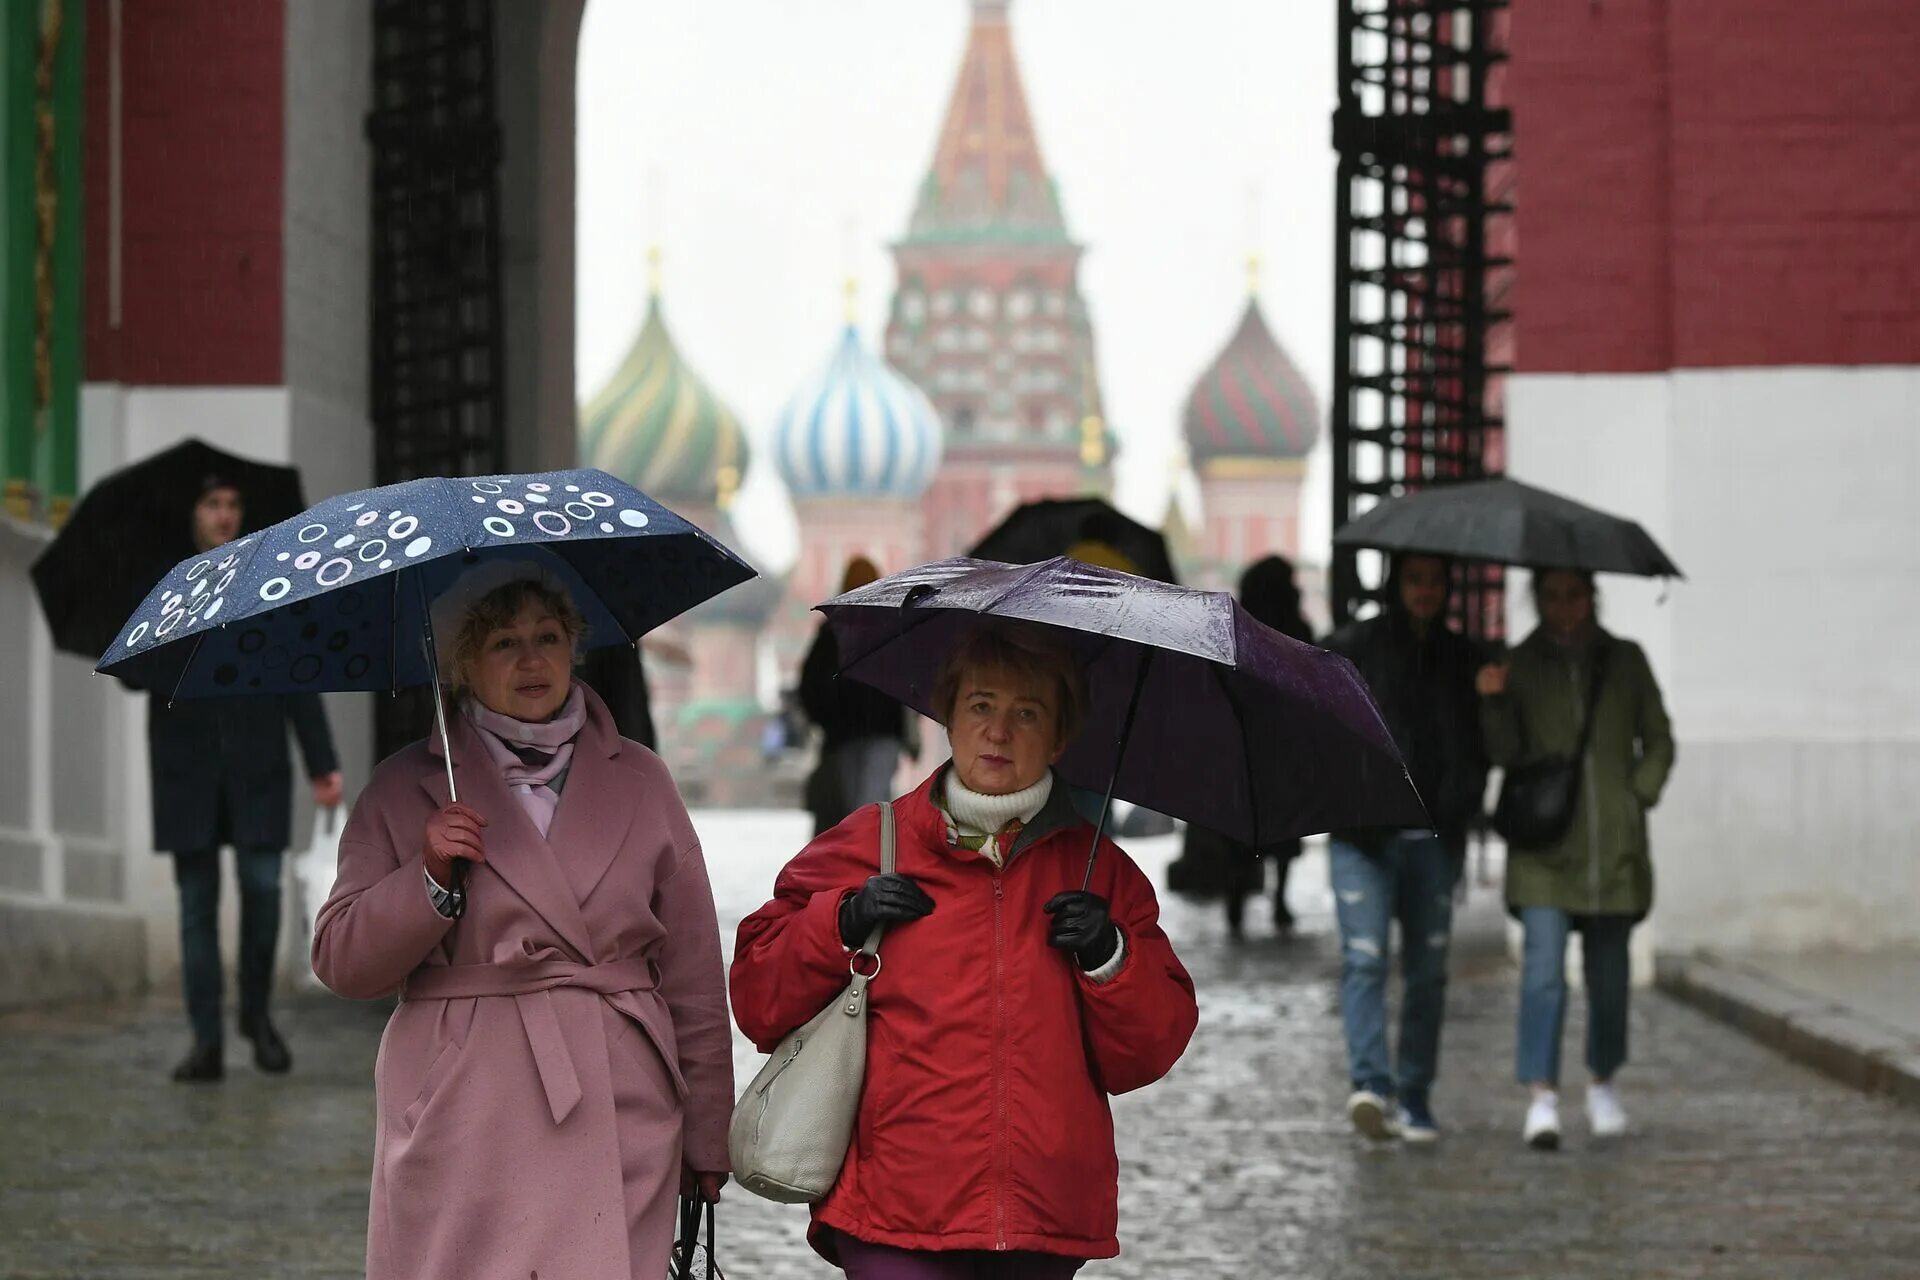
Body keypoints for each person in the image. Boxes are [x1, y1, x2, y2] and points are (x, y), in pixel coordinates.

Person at [731, 621, 1198, 1279]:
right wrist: (841, 920)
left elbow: (1145, 1054)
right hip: (893, 1209)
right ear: (947, 717)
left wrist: (1110, 955)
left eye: (1027, 713)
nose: (999, 731)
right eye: (981, 706)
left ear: (1061, 738)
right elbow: (756, 996)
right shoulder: (871, 842)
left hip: (1041, 1215)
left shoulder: (1100, 873)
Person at [312, 560, 733, 1280]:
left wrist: (707, 1136)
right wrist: (429, 883)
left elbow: (693, 971)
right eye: (504, 642)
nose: (532, 659)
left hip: (616, 1092)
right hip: (464, 1102)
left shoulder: (641, 778)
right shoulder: (403, 788)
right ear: (462, 666)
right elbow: (341, 959)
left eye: (548, 636)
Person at [1477, 568, 1674, 1149]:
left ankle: (1603, 1081)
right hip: (1544, 848)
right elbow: (1505, 753)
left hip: (1613, 847)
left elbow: (1658, 737)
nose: (1565, 606)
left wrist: (1638, 791)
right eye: (1552, 595)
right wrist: (1492, 701)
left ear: (1593, 595)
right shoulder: (1518, 663)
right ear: (1537, 598)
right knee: (1542, 976)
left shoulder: (1626, 660)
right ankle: (1541, 1095)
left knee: (1609, 978)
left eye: (1575, 593)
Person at [157, 476, 343, 1084]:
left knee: (263, 896)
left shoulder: (268, 582)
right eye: (212, 503)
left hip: (259, 767)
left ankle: (256, 1018)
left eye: (232, 504)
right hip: (186, 772)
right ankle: (206, 1039)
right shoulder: (166, 586)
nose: (224, 515)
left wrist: (321, 763)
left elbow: (297, 675)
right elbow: (137, 673)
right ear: (193, 512)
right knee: (196, 909)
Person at [1322, 553, 1487, 1142]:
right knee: (1365, 958)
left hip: (1433, 836)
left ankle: (1415, 1096)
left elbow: (1481, 742)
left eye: (1435, 579)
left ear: (1448, 586)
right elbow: (1320, 726)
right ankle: (1370, 1085)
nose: (1425, 590)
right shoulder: (1351, 649)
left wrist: (1463, 795)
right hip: (1363, 834)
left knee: (1427, 972)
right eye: (1414, 578)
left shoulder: (1463, 658)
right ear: (1397, 583)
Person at [1200, 554, 1316, 939]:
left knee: (1242, 830)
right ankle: (1279, 898)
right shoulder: (1297, 627)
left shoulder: (1235, 630)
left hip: (1242, 745)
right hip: (1284, 746)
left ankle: (1238, 894)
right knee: (1283, 828)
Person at [800, 556, 914, 834]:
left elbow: (809, 687)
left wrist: (828, 720)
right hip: (877, 733)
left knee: (856, 808)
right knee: (871, 806)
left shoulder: (833, 632)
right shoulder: (891, 628)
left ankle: (863, 860)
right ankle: (872, 862)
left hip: (847, 735)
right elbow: (909, 682)